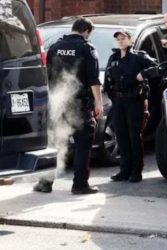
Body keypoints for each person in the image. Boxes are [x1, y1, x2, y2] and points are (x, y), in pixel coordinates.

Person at [43, 17, 103, 194]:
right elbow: (94, 79)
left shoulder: (54, 47)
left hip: (57, 103)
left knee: (56, 143)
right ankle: (79, 185)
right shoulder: (87, 48)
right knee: (83, 144)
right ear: (86, 31)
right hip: (79, 105)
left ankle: (45, 183)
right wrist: (98, 103)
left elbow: (48, 76)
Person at [104, 30, 157, 183]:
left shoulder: (138, 57)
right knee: (121, 136)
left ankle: (136, 171)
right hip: (119, 102)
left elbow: (157, 67)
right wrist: (111, 96)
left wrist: (143, 74)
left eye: (123, 38)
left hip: (134, 101)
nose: (120, 41)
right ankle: (124, 170)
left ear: (131, 40)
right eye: (118, 39)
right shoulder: (113, 58)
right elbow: (108, 80)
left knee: (134, 136)